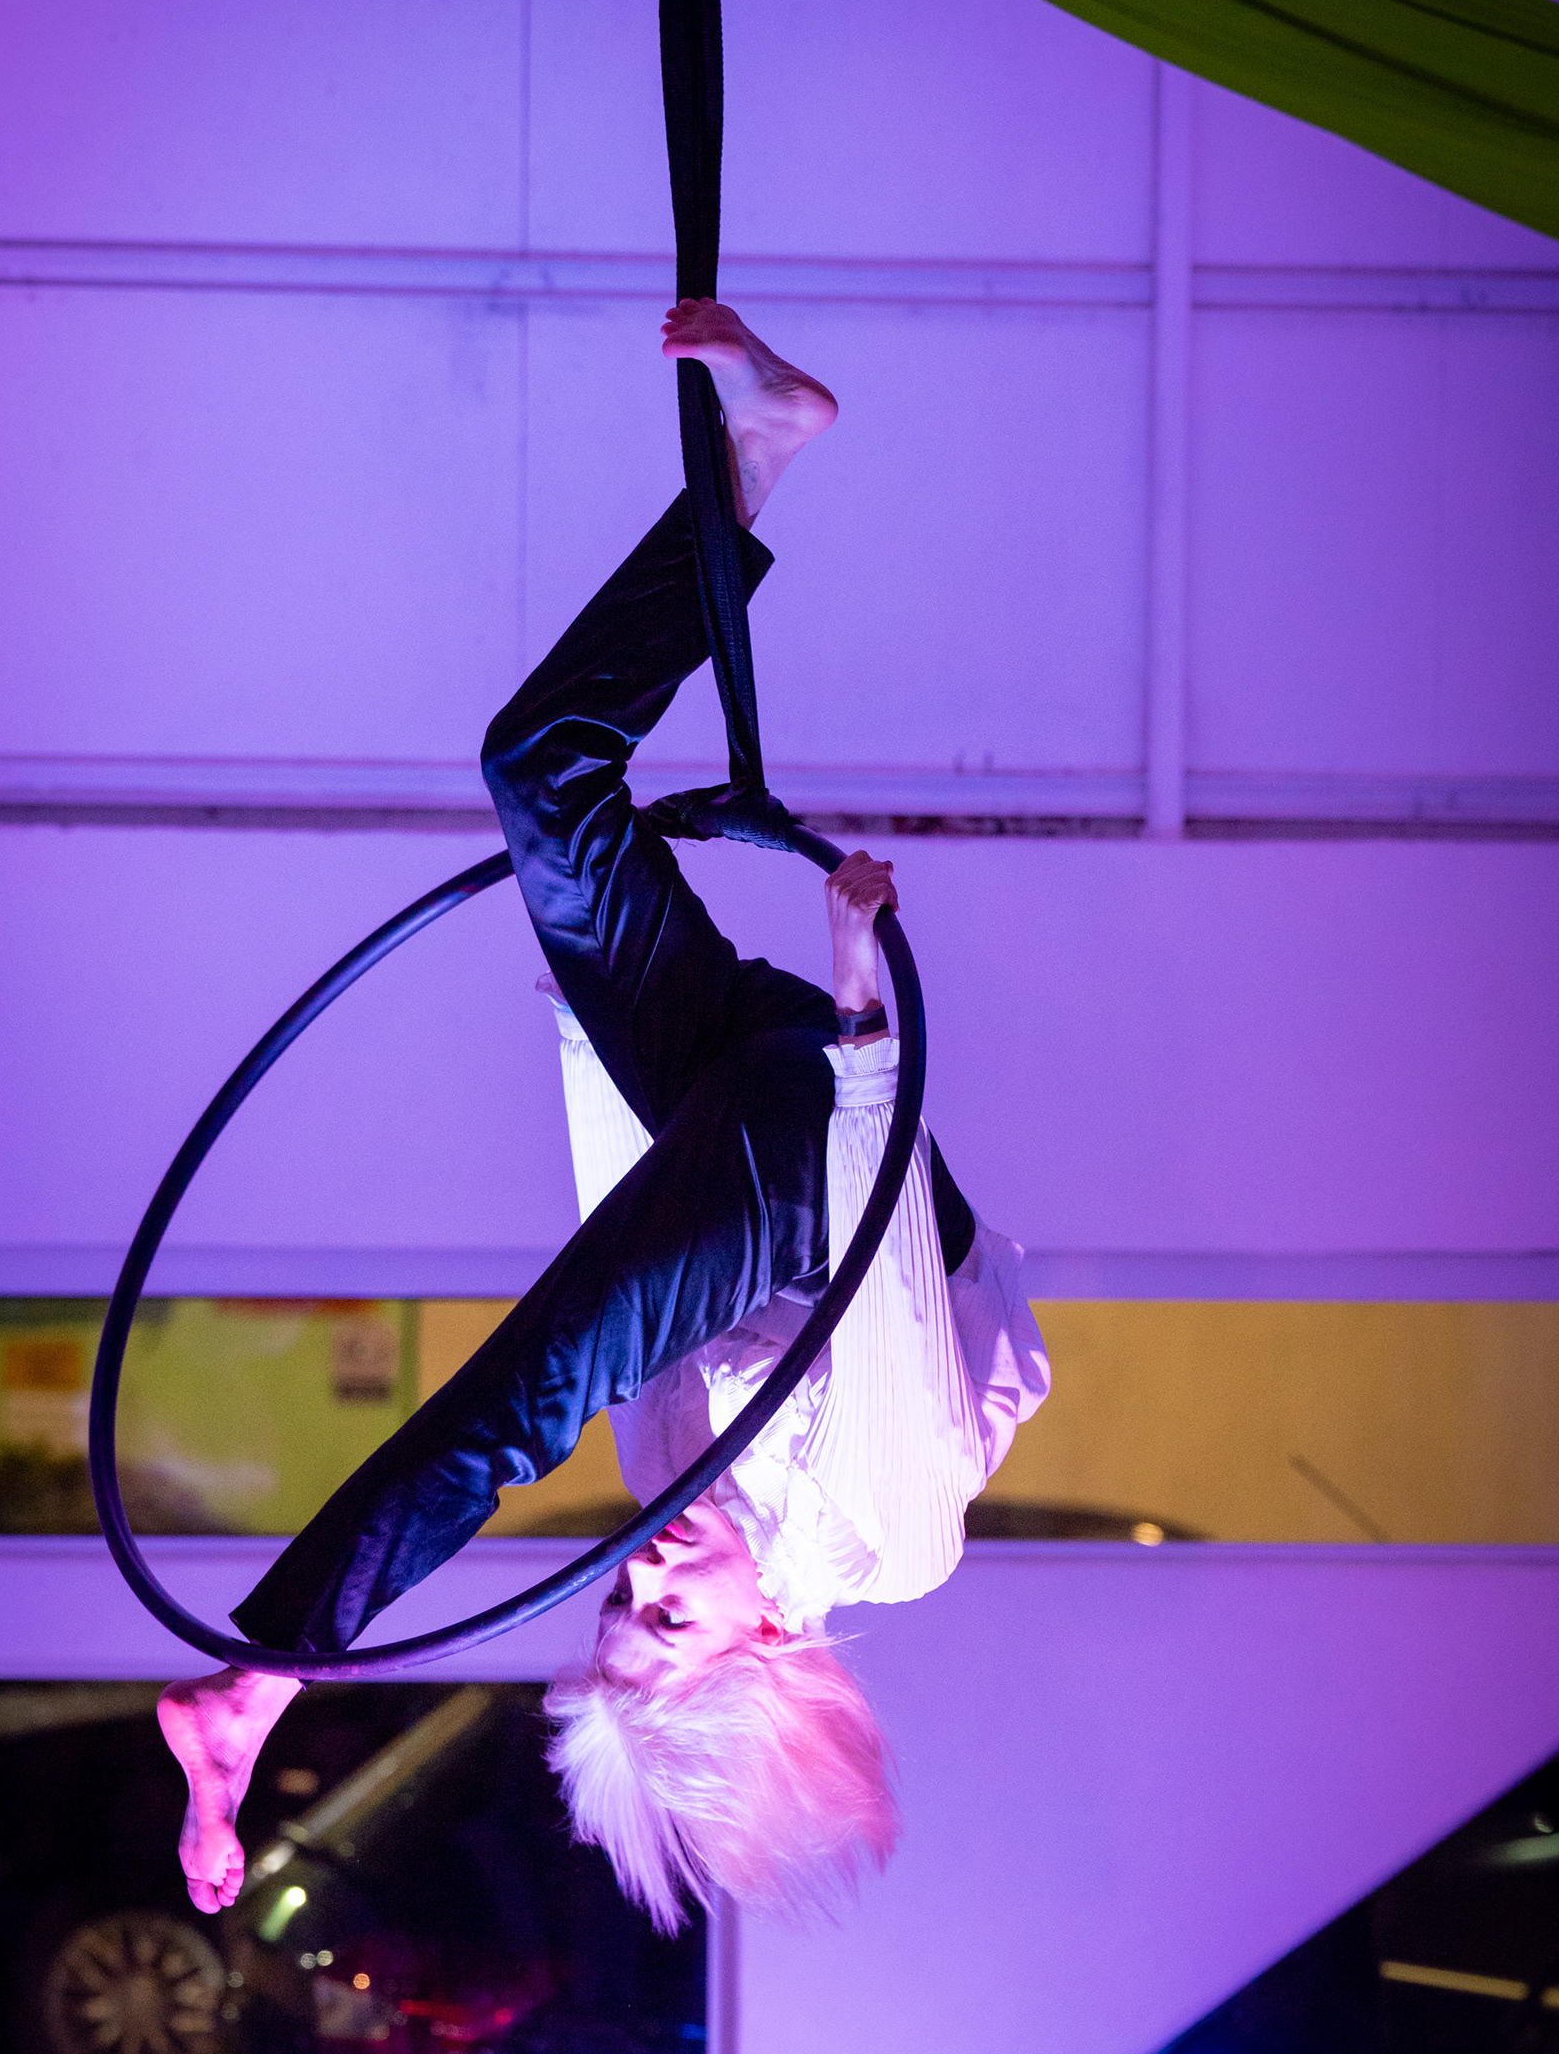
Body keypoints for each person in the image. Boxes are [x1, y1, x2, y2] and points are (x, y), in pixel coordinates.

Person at [158, 302, 1049, 1929]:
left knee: (541, 776)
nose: (636, 1571)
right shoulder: (885, 1539)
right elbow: (887, 1276)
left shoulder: (671, 1479)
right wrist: (860, 1003)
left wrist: (597, 1002)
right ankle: (269, 1676)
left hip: (730, 1105)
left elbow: (623, 1221)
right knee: (526, 1396)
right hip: (832, 1156)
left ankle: (758, 455)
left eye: (613, 1609)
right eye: (669, 1615)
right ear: (770, 1641)